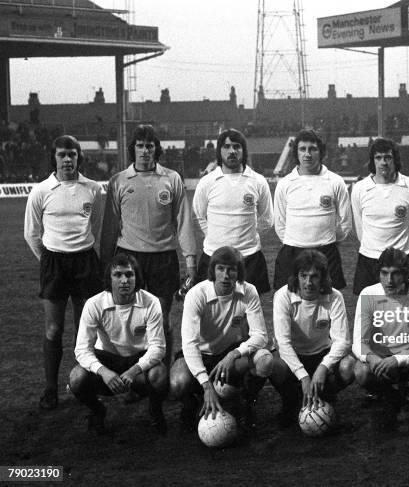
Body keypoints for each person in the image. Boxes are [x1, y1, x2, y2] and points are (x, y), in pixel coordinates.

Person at [100, 124, 197, 365]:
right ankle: (138, 377)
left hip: (163, 258)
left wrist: (191, 261)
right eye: (141, 146)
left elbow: (183, 222)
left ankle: (161, 374)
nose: (145, 151)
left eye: (150, 146)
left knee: (162, 319)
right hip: (130, 259)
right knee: (134, 321)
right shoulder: (119, 181)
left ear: (156, 149)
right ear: (133, 149)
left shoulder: (171, 179)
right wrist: (105, 265)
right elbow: (110, 228)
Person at [24, 135, 103, 410]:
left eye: (72, 154)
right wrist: (48, 260)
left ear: (79, 157)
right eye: (62, 155)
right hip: (54, 264)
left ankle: (83, 384)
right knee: (54, 328)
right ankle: (50, 389)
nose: (68, 159)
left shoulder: (92, 189)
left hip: (85, 263)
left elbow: (97, 225)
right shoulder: (41, 191)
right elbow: (32, 234)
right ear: (54, 158)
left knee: (85, 330)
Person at [169, 246, 272, 430]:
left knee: (264, 359)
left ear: (238, 272)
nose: (226, 275)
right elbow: (189, 344)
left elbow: (261, 335)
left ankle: (246, 401)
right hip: (201, 354)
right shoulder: (196, 294)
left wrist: (233, 354)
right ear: (213, 271)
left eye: (231, 269)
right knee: (178, 382)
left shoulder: (249, 291)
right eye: (221, 269)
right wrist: (206, 385)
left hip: (230, 355)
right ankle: (192, 402)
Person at [69, 253, 167, 435]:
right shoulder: (94, 304)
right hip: (107, 360)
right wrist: (103, 371)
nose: (124, 280)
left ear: (137, 277)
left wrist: (134, 370)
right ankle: (97, 411)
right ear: (109, 279)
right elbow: (82, 349)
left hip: (137, 362)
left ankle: (155, 410)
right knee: (76, 378)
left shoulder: (151, 302)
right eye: (118, 275)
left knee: (159, 374)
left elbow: (158, 348)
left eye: (129, 274)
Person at [352, 248, 409, 435]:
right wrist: (371, 358)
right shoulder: (368, 294)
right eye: (384, 273)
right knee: (361, 371)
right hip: (383, 361)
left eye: (395, 274)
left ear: (406, 274)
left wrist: (398, 359)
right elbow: (358, 341)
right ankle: (392, 398)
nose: (389, 280)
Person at [270, 250, 355, 427]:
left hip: (321, 354)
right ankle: (290, 402)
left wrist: (323, 367)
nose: (309, 282)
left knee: (349, 366)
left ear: (323, 278)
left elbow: (343, 341)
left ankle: (324, 396)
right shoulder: (283, 296)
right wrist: (303, 377)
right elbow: (283, 343)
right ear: (296, 277)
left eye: (315, 276)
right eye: (304, 276)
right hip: (293, 355)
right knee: (273, 364)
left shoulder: (334, 296)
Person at [192, 128, 273, 294]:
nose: (232, 151)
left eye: (237, 147)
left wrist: (248, 237)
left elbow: (267, 219)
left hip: (249, 257)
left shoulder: (258, 181)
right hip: (213, 257)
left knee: (247, 312)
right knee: (212, 311)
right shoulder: (207, 182)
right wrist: (213, 235)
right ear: (219, 151)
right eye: (226, 147)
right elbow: (198, 216)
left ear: (243, 150)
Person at [273, 129, 352, 290]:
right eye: (302, 149)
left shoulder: (335, 181)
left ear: (320, 151)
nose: (307, 154)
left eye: (312, 149)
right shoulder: (285, 184)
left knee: (329, 302)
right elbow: (280, 223)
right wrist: (295, 242)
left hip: (326, 251)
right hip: (292, 252)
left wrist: (327, 241)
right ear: (296, 152)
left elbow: (345, 223)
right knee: (290, 301)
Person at [351, 137, 409, 295]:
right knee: (368, 313)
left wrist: (399, 247)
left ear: (395, 159)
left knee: (405, 313)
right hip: (368, 259)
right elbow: (359, 226)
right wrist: (374, 246)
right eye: (378, 158)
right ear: (373, 160)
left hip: (402, 260)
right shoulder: (360, 188)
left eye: (387, 157)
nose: (383, 162)